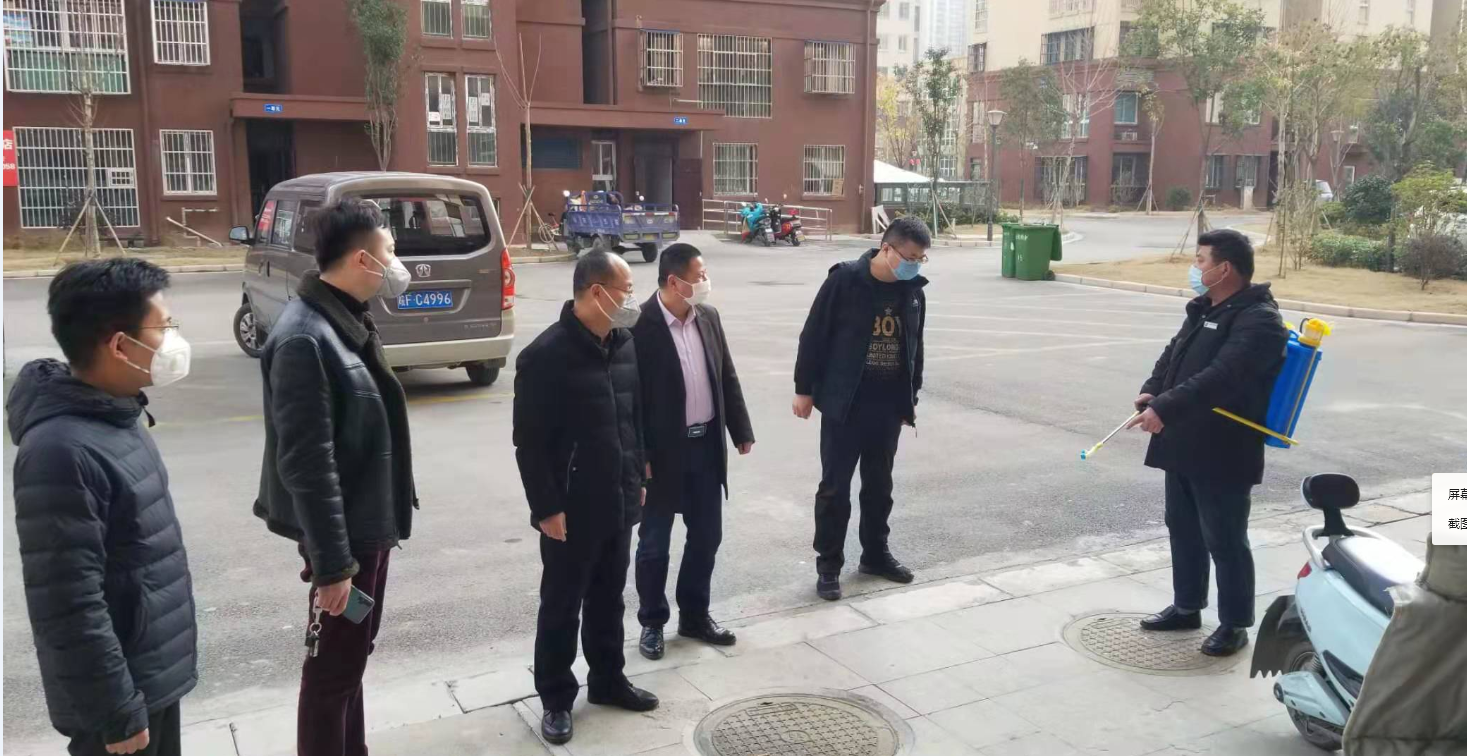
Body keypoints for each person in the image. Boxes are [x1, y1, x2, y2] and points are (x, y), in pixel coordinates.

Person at [8, 258, 197, 756]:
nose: (174, 340)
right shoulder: (61, 451)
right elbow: (68, 603)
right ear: (119, 345)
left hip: (149, 677)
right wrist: (117, 711)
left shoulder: (117, 412)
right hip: (118, 704)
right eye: (164, 328)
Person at [253, 198, 418, 755]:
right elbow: (308, 463)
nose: (397, 263)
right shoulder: (305, 338)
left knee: (349, 663)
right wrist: (333, 567)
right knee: (330, 674)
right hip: (344, 538)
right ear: (361, 260)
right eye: (390, 251)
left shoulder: (344, 319)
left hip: (366, 525)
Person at [513, 251, 659, 745]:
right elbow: (529, 444)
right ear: (597, 292)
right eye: (626, 290)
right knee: (562, 603)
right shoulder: (545, 356)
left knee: (609, 597)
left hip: (619, 495)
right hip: (571, 508)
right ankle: (556, 698)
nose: (632, 299)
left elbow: (633, 416)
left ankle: (608, 680)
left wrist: (639, 473)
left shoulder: (624, 344)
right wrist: (546, 508)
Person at [1127, 228, 1287, 657]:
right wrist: (1152, 388)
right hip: (1184, 438)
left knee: (1225, 537)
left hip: (1224, 448)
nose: (1195, 268)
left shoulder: (1259, 320)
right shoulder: (1204, 308)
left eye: (1200, 261)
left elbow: (1223, 376)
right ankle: (1187, 606)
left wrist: (1165, 407)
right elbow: (1175, 353)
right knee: (1182, 527)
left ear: (1225, 268)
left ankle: (1235, 624)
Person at [793, 216, 931, 601]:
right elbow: (813, 335)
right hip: (845, 404)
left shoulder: (913, 291)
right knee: (834, 489)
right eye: (910, 257)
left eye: (921, 259)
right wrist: (804, 390)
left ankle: (875, 555)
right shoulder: (845, 281)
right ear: (887, 249)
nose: (914, 265)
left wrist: (910, 398)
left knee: (879, 487)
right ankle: (829, 565)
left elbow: (915, 348)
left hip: (888, 406)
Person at [632, 243, 756, 660]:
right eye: (699, 276)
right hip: (661, 455)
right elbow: (629, 399)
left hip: (705, 447)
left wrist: (740, 428)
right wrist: (640, 455)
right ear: (674, 281)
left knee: (706, 537)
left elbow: (726, 374)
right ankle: (652, 622)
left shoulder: (708, 317)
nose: (705, 282)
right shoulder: (639, 326)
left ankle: (695, 615)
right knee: (654, 545)